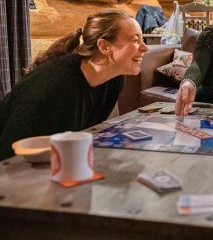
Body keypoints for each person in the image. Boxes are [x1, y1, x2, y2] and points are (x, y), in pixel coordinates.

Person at [0, 9, 148, 161]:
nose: (145, 48)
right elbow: (10, 158)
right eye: (135, 40)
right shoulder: (54, 87)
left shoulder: (114, 79)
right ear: (104, 47)